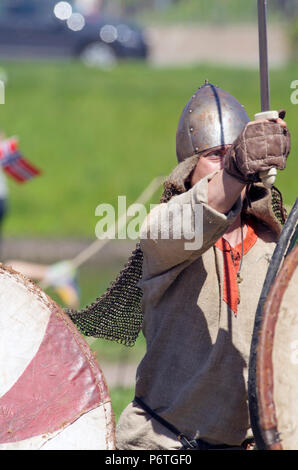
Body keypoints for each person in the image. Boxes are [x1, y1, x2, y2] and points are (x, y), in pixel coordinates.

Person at [67, 81, 290, 450]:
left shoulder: (274, 246)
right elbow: (187, 222)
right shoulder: (165, 231)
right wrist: (235, 169)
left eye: (234, 153)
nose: (228, 161)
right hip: (162, 444)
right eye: (215, 155)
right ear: (188, 168)